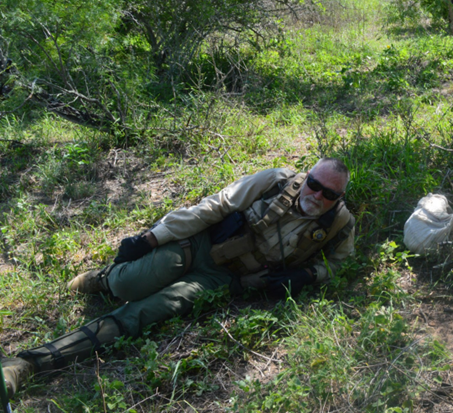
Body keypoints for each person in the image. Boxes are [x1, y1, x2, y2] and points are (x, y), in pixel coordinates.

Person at [1, 157, 354, 396]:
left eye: (329, 194)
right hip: (199, 246)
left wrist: (309, 274)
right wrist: (151, 238)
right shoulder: (276, 181)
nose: (317, 195)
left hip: (223, 280)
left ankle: (27, 364)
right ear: (306, 177)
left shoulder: (340, 223)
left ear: (338, 197)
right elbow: (215, 206)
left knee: (145, 312)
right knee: (127, 284)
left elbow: (340, 261)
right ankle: (106, 278)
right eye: (313, 184)